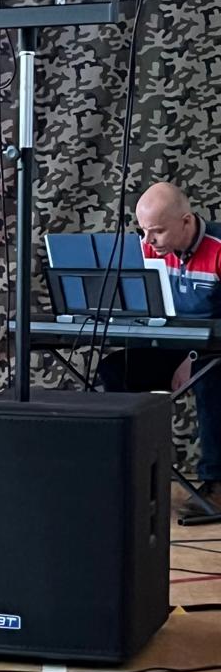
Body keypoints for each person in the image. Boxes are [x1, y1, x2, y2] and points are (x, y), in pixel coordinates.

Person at [98, 181, 221, 518]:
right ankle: (136, 475)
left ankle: (217, 483)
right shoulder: (148, 248)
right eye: (143, 230)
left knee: (212, 377)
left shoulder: (218, 249)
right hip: (172, 347)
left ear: (186, 221)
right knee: (115, 369)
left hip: (213, 350)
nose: (148, 240)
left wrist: (193, 357)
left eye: (157, 231)